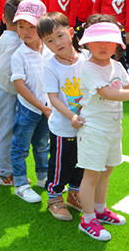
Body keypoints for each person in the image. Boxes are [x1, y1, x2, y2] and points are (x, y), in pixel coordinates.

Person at [77, 18, 129, 242]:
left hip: (114, 128)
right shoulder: (88, 68)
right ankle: (87, 219)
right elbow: (110, 94)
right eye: (97, 41)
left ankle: (100, 210)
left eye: (109, 41)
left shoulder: (116, 65)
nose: (103, 46)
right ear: (87, 43)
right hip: (94, 130)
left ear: (117, 44)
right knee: (91, 175)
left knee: (106, 172)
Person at [37, 12, 85, 221]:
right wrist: (71, 116)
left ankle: (75, 194)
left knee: (81, 161)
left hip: (86, 125)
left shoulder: (87, 58)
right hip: (63, 127)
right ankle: (55, 197)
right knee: (61, 163)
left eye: (60, 36)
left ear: (71, 32)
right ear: (44, 44)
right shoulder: (51, 66)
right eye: (49, 40)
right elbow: (53, 98)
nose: (57, 43)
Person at [9, 0, 51, 204]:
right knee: (21, 146)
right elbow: (20, 86)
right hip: (29, 109)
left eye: (31, 26)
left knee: (43, 144)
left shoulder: (51, 50)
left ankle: (43, 177)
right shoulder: (19, 54)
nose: (25, 31)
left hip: (48, 109)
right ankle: (20, 184)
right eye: (20, 26)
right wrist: (42, 107)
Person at [0, 0, 31, 186]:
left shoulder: (6, 36)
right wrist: (16, 91)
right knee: (7, 130)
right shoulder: (16, 41)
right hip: (7, 90)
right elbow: (6, 70)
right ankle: (6, 172)